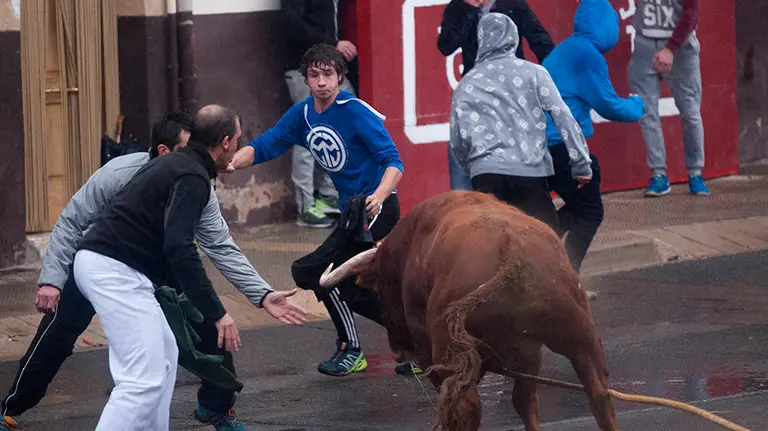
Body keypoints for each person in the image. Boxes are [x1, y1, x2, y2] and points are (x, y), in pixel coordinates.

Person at [228, 44, 416, 377]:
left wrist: (379, 195)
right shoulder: (302, 115)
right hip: (350, 217)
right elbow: (267, 144)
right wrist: (230, 162)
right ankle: (413, 341)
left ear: (340, 77)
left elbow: (394, 162)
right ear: (306, 79)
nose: (322, 82)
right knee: (349, 285)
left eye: (328, 74)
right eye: (314, 75)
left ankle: (356, 348)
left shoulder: (355, 111)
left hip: (376, 211)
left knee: (312, 272)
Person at [450, 13, 592, 231]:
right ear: (514, 38)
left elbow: (457, 141)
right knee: (544, 243)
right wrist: (581, 164)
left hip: (486, 177)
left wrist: (474, 167)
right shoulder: (534, 73)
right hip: (530, 172)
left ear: (481, 39)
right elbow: (563, 117)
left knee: (493, 249)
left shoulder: (467, 83)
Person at [542, 0, 645, 273]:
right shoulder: (588, 55)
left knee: (576, 209)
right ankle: (566, 278)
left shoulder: (566, 49)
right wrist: (638, 105)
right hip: (563, 146)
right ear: (604, 25)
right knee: (590, 212)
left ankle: (545, 263)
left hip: (546, 147)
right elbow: (609, 105)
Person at [437, 0, 556, 191]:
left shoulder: (511, 3)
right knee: (462, 146)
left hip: (512, 91)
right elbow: (446, 45)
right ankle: (462, 208)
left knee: (518, 147)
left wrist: (551, 77)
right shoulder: (458, 6)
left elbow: (540, 40)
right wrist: (469, 9)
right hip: (476, 94)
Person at [281, 0, 359, 227]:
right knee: (309, 131)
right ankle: (305, 207)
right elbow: (292, 25)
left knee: (343, 120)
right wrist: (333, 44)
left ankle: (325, 195)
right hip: (305, 69)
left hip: (327, 68)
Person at [629, 0, 708, 197]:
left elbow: (691, 14)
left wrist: (670, 49)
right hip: (644, 44)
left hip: (681, 47)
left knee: (690, 112)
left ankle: (696, 173)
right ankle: (659, 175)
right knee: (647, 113)